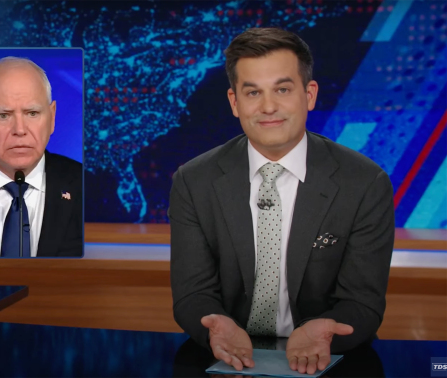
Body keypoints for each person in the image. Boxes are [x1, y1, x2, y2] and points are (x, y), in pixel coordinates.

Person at [169, 28, 394, 375]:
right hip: (227, 359)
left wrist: (325, 332)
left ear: (310, 94)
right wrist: (212, 326)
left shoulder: (365, 183)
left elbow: (361, 301)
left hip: (331, 360)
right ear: (234, 102)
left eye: (283, 89)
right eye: (253, 92)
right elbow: (192, 293)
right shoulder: (193, 181)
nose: (268, 106)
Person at [0, 57, 82, 257]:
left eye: (32, 113)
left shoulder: (88, 186)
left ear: (52, 117)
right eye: (4, 115)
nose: (20, 130)